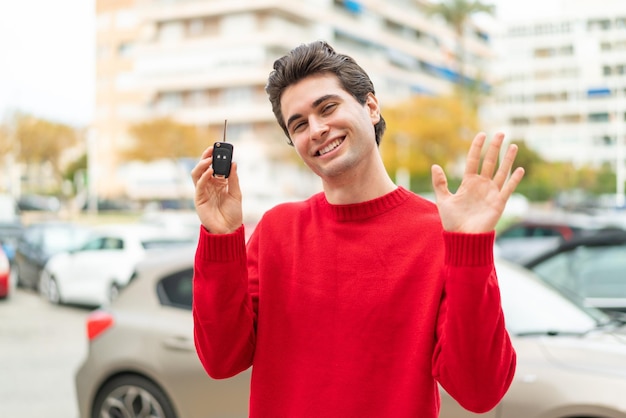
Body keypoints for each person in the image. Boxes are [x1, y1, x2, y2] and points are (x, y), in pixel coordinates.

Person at [191, 40, 524, 418]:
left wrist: (471, 251)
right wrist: (220, 237)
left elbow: (479, 392)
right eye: (298, 124)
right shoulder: (276, 231)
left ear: (371, 106)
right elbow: (221, 360)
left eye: (327, 107)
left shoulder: (440, 235)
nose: (316, 129)